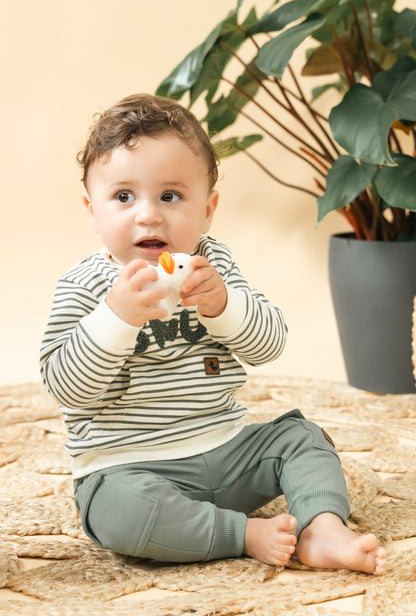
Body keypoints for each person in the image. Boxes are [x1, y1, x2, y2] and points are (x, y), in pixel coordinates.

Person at [40, 93, 386, 575]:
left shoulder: (213, 265)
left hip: (226, 450)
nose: (148, 215)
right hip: (130, 465)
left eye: (170, 195)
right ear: (92, 210)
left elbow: (270, 344)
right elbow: (65, 386)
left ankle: (322, 528)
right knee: (116, 511)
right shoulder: (86, 286)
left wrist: (223, 304)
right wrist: (115, 319)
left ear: (207, 209)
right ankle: (242, 534)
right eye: (123, 196)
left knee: (301, 437)